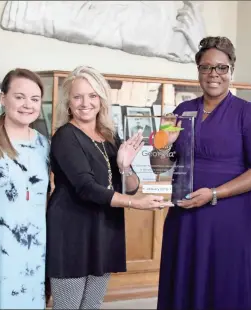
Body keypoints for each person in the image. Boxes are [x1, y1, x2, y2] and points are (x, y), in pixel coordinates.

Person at [152, 36, 251, 309]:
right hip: (186, 219)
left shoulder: (249, 113)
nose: (214, 74)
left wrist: (215, 193)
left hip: (229, 219)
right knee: (182, 285)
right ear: (198, 71)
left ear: (232, 70)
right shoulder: (182, 111)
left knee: (225, 286)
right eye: (207, 67)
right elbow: (160, 166)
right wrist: (163, 142)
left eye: (221, 67)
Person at [46, 66, 173, 309]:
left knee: (91, 306)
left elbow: (130, 187)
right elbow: (86, 187)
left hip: (103, 230)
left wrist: (125, 166)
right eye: (78, 96)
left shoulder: (110, 136)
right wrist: (137, 204)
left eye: (93, 96)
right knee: (69, 306)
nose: (86, 103)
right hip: (71, 233)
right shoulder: (64, 137)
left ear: (102, 100)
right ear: (68, 102)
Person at [0, 69, 50, 309]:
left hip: (32, 250)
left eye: (34, 99)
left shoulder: (46, 146)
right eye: (19, 97)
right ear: (3, 98)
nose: (27, 105)